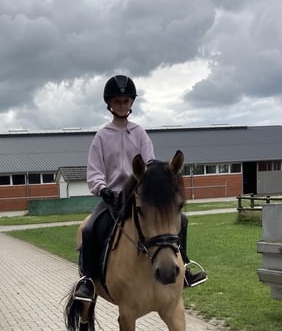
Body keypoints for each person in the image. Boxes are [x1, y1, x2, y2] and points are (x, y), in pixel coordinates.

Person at [73, 75, 207, 301]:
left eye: (126, 101)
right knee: (89, 229)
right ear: (109, 104)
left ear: (132, 103)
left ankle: (185, 268)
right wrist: (104, 190)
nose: (122, 106)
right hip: (112, 200)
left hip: (138, 199)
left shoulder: (140, 133)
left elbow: (151, 165)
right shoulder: (101, 137)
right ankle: (87, 280)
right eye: (117, 102)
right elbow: (95, 173)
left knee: (181, 220)